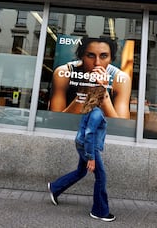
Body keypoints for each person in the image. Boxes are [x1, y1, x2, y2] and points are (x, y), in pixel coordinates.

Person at [47, 86, 116, 222]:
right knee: (101, 177)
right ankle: (100, 211)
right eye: (106, 96)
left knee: (80, 172)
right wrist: (91, 157)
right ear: (100, 98)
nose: (107, 98)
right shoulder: (96, 113)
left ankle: (55, 187)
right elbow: (89, 134)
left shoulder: (90, 110)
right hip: (89, 147)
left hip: (82, 144)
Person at [49, 37, 132, 119]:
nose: (97, 63)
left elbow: (121, 125)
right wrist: (84, 92)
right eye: (91, 56)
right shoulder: (64, 73)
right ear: (82, 57)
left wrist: (103, 93)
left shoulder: (120, 79)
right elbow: (56, 120)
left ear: (111, 59)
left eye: (103, 56)